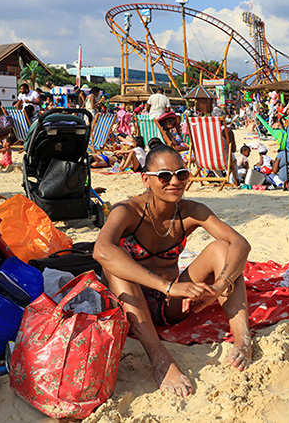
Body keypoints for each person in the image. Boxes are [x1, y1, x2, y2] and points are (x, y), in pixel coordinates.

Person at [94, 145, 251, 397]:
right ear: (146, 179)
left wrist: (219, 287)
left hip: (170, 307)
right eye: (164, 176)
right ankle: (160, 359)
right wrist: (168, 285)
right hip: (128, 307)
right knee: (115, 264)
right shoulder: (127, 211)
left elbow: (241, 243)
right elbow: (101, 250)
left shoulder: (190, 211)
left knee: (223, 249)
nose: (174, 182)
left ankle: (243, 340)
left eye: (182, 174)